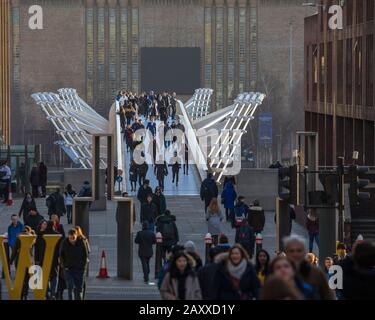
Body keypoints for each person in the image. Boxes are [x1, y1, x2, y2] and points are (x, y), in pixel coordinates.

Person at [284, 235, 335, 300]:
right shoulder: (282, 270)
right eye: (292, 251)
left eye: (299, 250)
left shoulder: (316, 272)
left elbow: (327, 293)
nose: (295, 253)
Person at [59, 229, 89, 300]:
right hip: (69, 269)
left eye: (73, 238)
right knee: (70, 287)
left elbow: (85, 255)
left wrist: (83, 267)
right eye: (70, 238)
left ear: (76, 236)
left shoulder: (81, 242)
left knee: (79, 289)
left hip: (79, 269)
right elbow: (61, 254)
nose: (72, 240)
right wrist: (64, 266)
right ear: (68, 236)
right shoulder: (65, 242)